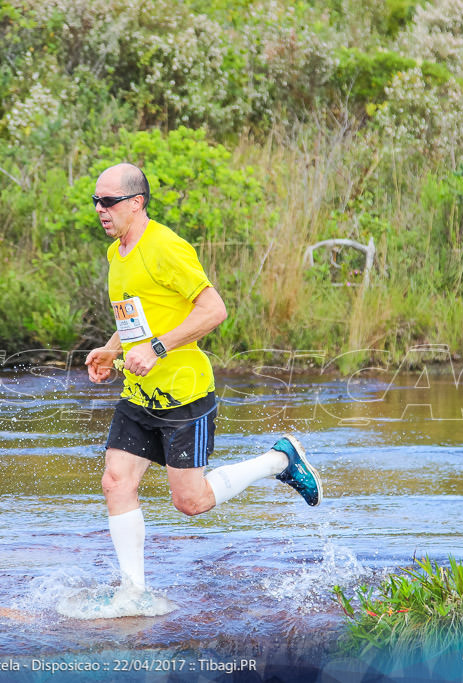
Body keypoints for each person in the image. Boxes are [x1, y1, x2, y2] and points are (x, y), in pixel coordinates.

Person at [84, 162, 323, 593]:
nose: (101, 209)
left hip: (184, 393)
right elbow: (139, 317)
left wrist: (156, 350)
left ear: (136, 203)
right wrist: (112, 348)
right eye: (96, 201)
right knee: (115, 481)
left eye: (109, 201)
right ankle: (133, 593)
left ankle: (280, 459)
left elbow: (214, 311)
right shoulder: (115, 252)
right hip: (140, 393)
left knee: (190, 503)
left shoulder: (166, 248)